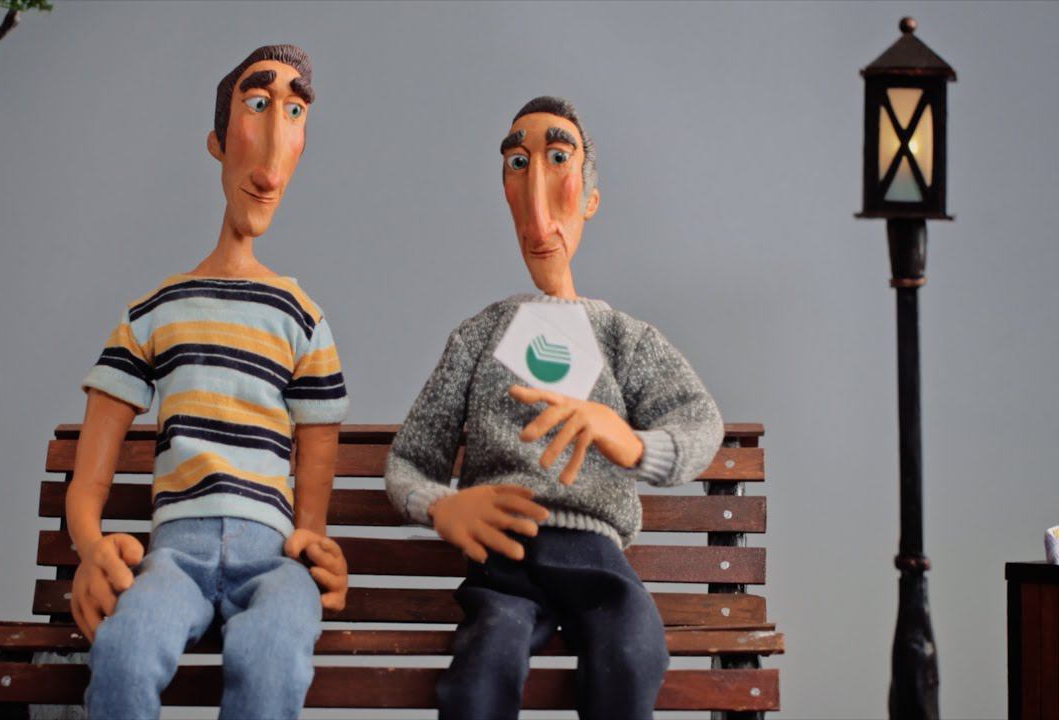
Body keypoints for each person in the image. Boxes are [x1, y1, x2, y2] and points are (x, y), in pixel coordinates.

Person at [384, 96, 724, 720]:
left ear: (590, 198)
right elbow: (411, 457)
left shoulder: (622, 338)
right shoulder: (480, 335)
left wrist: (633, 442)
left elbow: (699, 420)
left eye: (558, 158)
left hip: (596, 557)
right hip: (504, 559)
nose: (537, 192)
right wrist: (439, 504)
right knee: (481, 672)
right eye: (518, 163)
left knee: (632, 654)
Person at [66, 44, 349, 719]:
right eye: (257, 105)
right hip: (175, 556)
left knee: (273, 652)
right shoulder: (155, 311)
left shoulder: (301, 317)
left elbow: (316, 453)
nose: (272, 149)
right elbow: (89, 480)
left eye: (294, 112)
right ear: (218, 142)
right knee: (125, 650)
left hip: (273, 557)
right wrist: (91, 548)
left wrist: (313, 541)